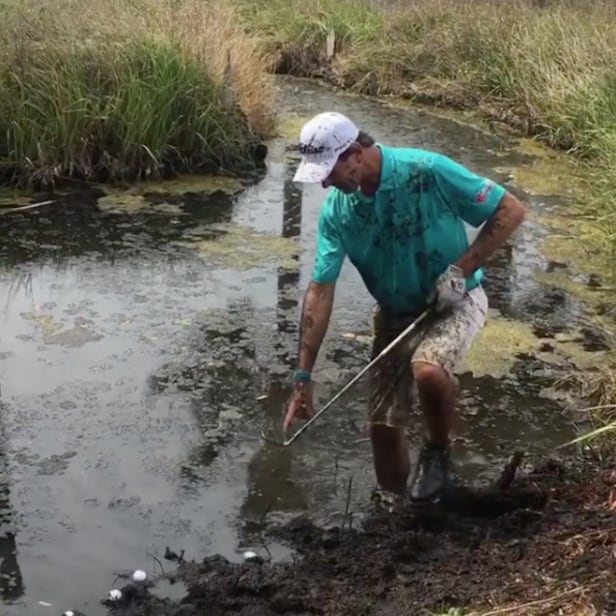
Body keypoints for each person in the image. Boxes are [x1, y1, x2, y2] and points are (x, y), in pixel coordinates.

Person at [283, 111, 526, 511]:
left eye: (330, 171)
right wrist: (303, 375)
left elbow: (510, 210)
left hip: (454, 299)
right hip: (396, 313)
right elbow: (320, 292)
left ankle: (437, 452)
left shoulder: (427, 171)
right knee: (382, 425)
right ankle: (397, 511)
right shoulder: (338, 212)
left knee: (428, 369)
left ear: (356, 154)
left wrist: (460, 272)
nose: (325, 182)